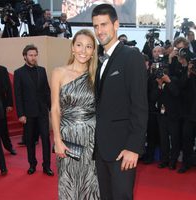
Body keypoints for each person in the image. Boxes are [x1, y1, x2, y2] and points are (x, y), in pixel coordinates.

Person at [92, 4, 148, 200]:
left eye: (104, 24)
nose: (99, 31)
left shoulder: (131, 56)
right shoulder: (97, 61)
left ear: (116, 25)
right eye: (96, 26)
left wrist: (134, 147)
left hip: (123, 149)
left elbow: (140, 105)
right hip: (100, 149)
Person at [51, 29, 100, 200]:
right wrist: (57, 140)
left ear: (93, 51)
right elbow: (55, 109)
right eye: (79, 45)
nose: (83, 51)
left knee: (91, 183)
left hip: (92, 138)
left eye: (88, 46)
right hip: (68, 137)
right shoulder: (59, 72)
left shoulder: (97, 75)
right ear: (72, 47)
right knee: (68, 182)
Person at [14, 44, 53, 176]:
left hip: (42, 112)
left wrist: (51, 108)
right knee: (30, 141)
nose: (33, 57)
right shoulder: (18, 73)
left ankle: (46, 166)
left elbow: (46, 91)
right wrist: (21, 114)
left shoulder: (42, 70)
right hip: (28, 114)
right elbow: (17, 95)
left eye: (35, 55)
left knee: (46, 140)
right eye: (31, 55)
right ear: (25, 56)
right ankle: (32, 165)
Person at [0, 64, 16, 155]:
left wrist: (9, 104)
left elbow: (8, 88)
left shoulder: (1, 69)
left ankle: (8, 146)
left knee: (3, 128)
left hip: (0, 103)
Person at [0, 64, 10, 175]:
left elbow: (7, 88)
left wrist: (7, 104)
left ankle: (3, 167)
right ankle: (3, 167)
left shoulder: (1, 70)